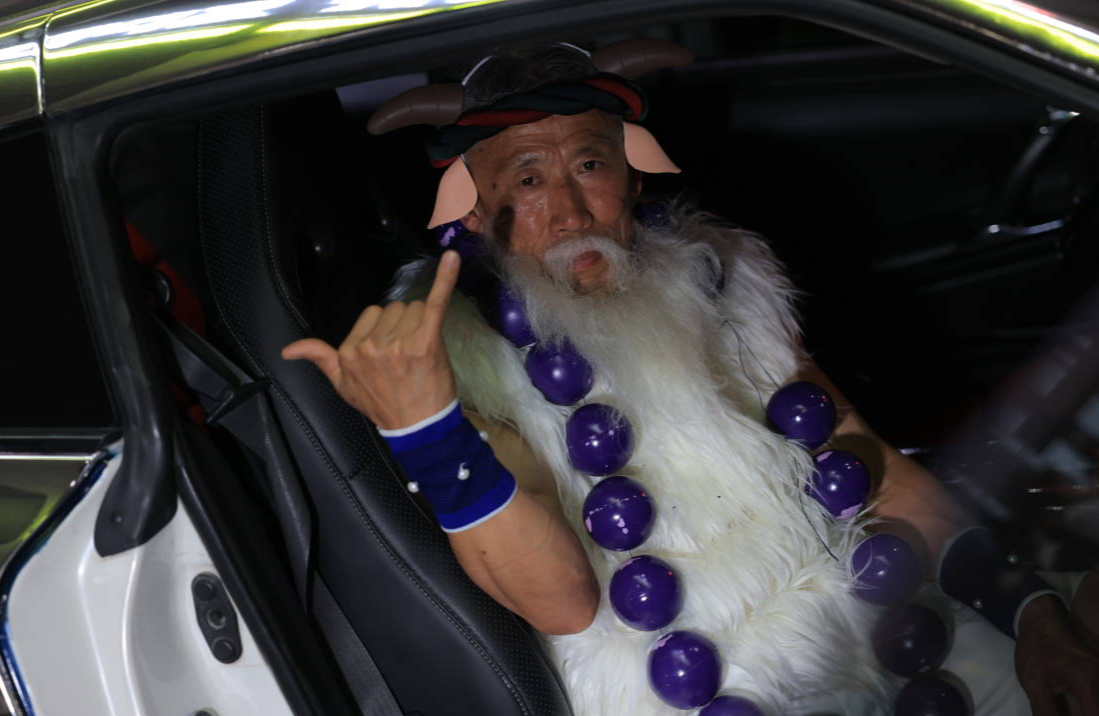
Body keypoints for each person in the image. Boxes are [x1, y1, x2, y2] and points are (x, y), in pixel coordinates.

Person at [283, 43, 1099, 715]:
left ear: (634, 176)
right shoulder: (465, 352)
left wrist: (1030, 614)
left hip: (894, 638)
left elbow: (871, 468)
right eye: (527, 180)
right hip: (688, 689)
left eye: (589, 164)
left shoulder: (725, 282)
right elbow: (561, 601)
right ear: (467, 209)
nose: (569, 211)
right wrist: (427, 433)